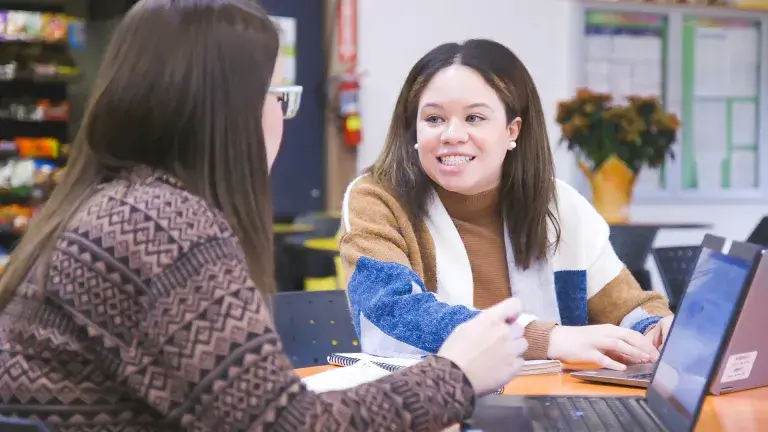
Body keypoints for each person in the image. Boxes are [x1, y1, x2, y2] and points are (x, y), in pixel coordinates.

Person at [0, 3, 530, 431]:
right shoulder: (160, 225)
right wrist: (455, 374)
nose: (282, 115)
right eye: (279, 96)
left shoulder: (115, 204)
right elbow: (284, 423)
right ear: (230, 111)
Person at [339, 39, 675, 372]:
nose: (452, 134)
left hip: (549, 407)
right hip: (433, 409)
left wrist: (656, 330)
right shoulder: (377, 198)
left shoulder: (559, 206)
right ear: (414, 127)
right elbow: (391, 310)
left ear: (512, 130)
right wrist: (546, 338)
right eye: (434, 119)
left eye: (474, 118)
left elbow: (629, 308)